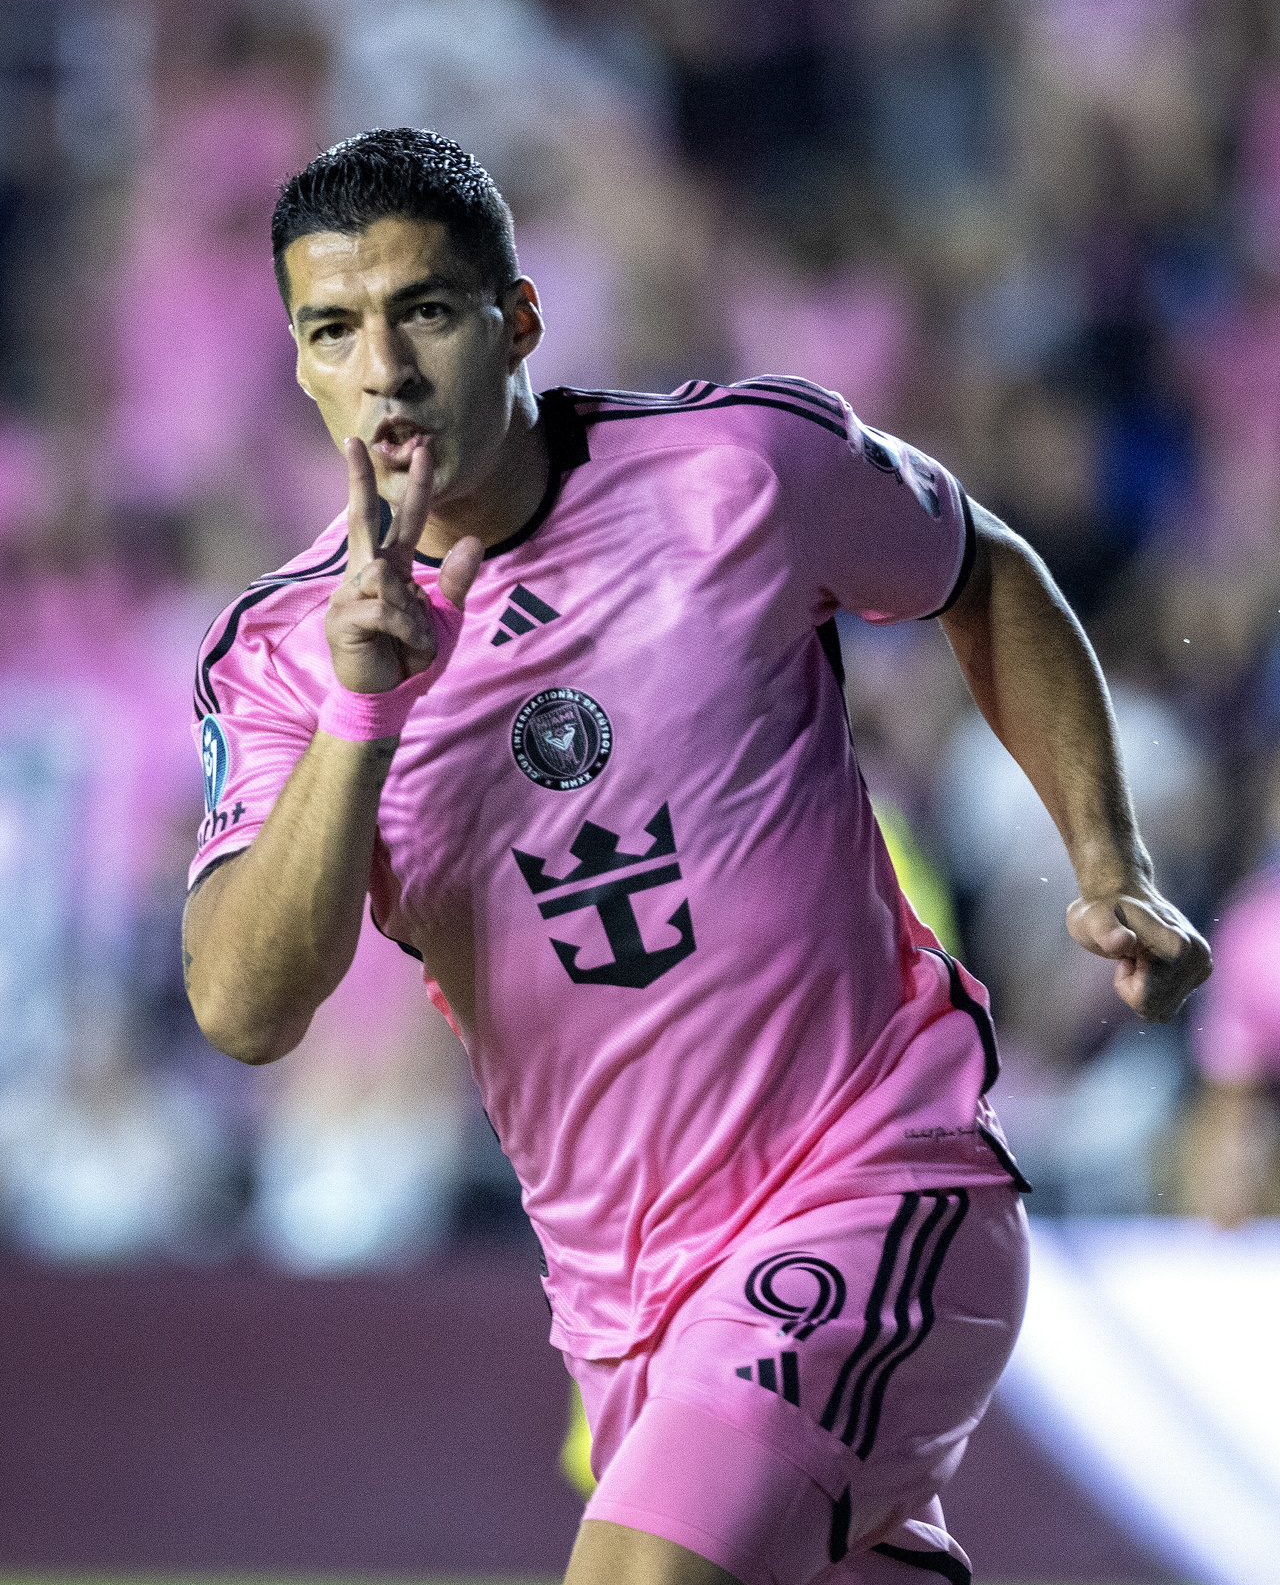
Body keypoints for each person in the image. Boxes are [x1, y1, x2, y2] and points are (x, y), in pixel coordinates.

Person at [181, 129, 1211, 1585]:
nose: (386, 371)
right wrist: (366, 707)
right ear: (299, 364)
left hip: (875, 1182)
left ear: (518, 319)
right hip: (623, 1305)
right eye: (334, 330)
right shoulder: (282, 658)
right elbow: (242, 1007)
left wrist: (1109, 861)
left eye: (426, 311)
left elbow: (982, 571)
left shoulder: (739, 469)